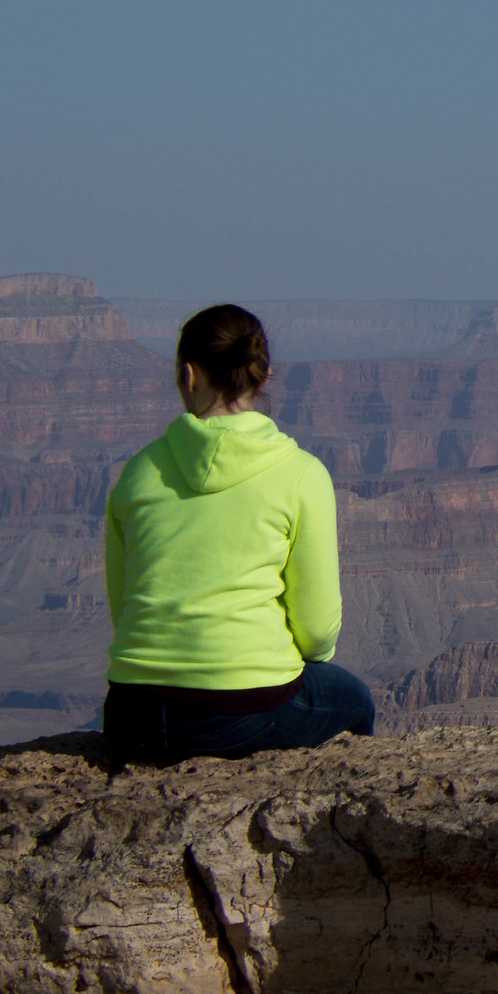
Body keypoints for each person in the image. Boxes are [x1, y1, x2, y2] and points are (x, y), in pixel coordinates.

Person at [100, 304, 375, 764]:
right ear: (263, 377)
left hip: (133, 718)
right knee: (355, 700)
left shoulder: (137, 472)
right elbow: (317, 630)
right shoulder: (302, 474)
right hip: (242, 715)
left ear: (189, 375)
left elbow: (123, 603)